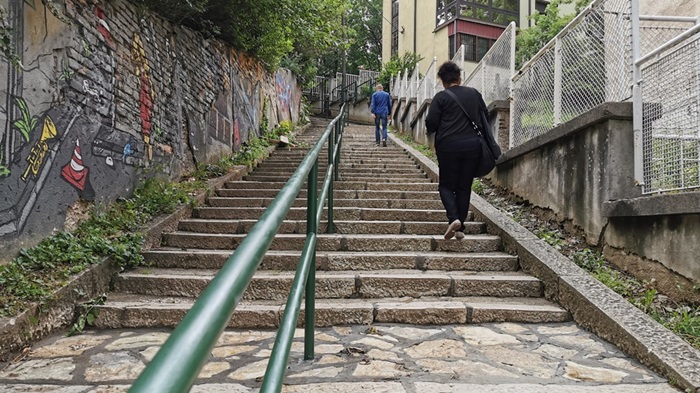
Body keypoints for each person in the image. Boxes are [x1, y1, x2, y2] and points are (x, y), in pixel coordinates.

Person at [425, 61, 489, 240]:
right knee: (464, 186)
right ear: (459, 78)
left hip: (448, 146)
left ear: (443, 81)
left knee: (446, 185)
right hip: (472, 146)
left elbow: (431, 124)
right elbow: (485, 116)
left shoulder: (441, 97)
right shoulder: (474, 94)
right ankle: (460, 227)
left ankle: (454, 219)